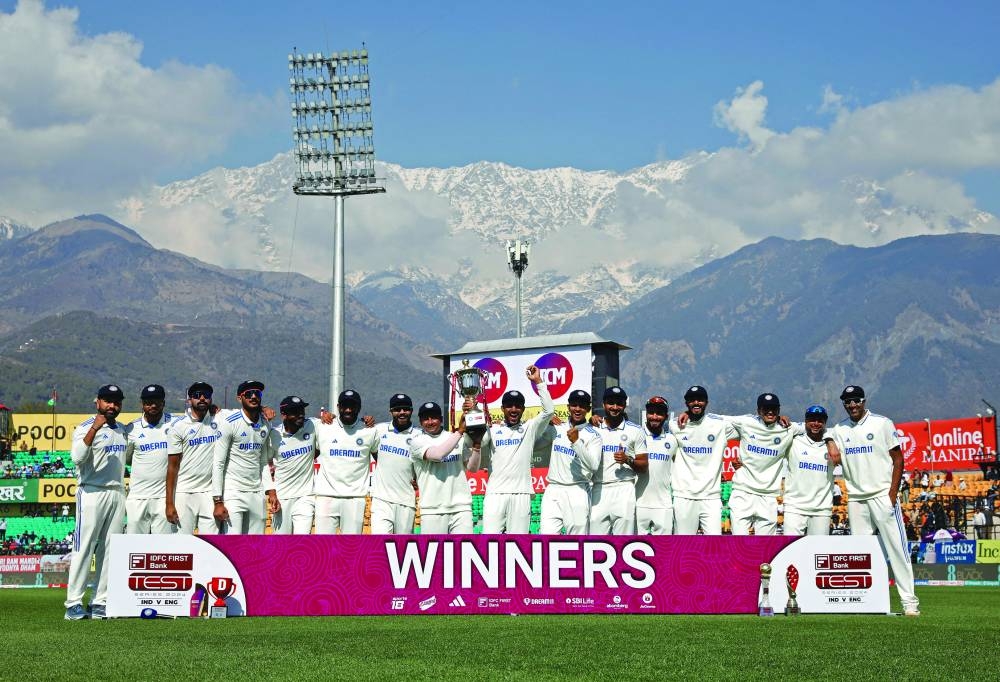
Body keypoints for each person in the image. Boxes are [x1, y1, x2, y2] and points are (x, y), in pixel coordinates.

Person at [825, 385, 920, 617]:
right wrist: (830, 442)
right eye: (847, 402)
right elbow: (826, 433)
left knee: (897, 549)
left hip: (881, 495)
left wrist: (891, 494)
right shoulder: (840, 428)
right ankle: (866, 602)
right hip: (857, 499)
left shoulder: (882, 423)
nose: (852, 405)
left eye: (856, 400)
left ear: (864, 401)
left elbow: (898, 459)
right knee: (861, 554)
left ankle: (909, 602)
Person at [64, 384, 128, 620]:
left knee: (109, 550)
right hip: (91, 492)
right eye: (108, 401)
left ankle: (100, 601)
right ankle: (73, 604)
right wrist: (95, 428)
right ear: (97, 402)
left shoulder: (122, 430)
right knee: (84, 548)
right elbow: (77, 458)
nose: (112, 406)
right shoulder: (84, 428)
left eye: (117, 402)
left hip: (117, 492)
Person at [480, 365, 554, 534]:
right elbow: (475, 442)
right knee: (489, 542)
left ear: (523, 409)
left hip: (521, 493)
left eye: (518, 406)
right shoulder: (492, 430)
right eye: (509, 406)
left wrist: (538, 382)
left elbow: (549, 410)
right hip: (495, 494)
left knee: (518, 543)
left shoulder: (530, 428)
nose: (513, 410)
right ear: (502, 409)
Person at [212, 380, 278, 534]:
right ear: (239, 398)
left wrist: (271, 490)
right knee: (232, 545)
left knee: (256, 547)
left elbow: (262, 461)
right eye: (248, 394)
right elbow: (218, 463)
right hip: (233, 492)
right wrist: (218, 501)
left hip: (256, 493)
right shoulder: (229, 423)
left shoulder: (266, 424)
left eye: (257, 393)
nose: (253, 396)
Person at [670, 385, 738, 535]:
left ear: (706, 402)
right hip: (684, 496)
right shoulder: (675, 425)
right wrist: (687, 414)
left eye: (700, 400)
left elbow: (746, 428)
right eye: (692, 400)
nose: (696, 403)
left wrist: (778, 419)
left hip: (711, 497)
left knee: (713, 546)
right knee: (684, 545)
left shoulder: (720, 425)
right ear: (686, 402)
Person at [313, 390, 379, 534]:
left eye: (352, 406)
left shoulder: (370, 430)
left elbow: (382, 460)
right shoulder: (323, 426)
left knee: (351, 550)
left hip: (355, 499)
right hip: (326, 496)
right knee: (323, 549)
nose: (348, 410)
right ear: (338, 406)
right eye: (344, 406)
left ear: (359, 408)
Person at [410, 401, 481, 534]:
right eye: (426, 418)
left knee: (463, 553)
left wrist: (477, 445)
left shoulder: (454, 438)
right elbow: (438, 455)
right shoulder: (417, 442)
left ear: (441, 419)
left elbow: (473, 468)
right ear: (420, 421)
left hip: (461, 508)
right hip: (432, 509)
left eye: (434, 417)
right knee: (434, 554)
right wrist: (460, 431)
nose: (430, 422)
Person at [540, 390, 602, 534]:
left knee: (577, 542)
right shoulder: (556, 428)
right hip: (553, 490)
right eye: (574, 405)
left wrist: (576, 442)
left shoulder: (593, 436)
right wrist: (544, 420)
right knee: (546, 539)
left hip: (577, 490)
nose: (578, 409)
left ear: (588, 409)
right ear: (568, 407)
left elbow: (593, 466)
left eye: (582, 406)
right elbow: (533, 438)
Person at [590, 386, 648, 534]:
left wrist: (628, 459)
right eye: (611, 403)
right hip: (598, 488)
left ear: (624, 405)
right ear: (603, 404)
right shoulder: (594, 428)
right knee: (596, 543)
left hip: (624, 489)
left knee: (624, 542)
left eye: (619, 403)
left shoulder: (636, 430)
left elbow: (644, 466)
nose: (615, 407)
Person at [165, 382, 221, 535]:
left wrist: (263, 409)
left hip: (209, 493)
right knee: (182, 546)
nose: (202, 398)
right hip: (184, 493)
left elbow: (244, 412)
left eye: (206, 395)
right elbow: (172, 467)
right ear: (189, 400)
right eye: (197, 395)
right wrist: (169, 503)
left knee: (212, 545)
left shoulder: (219, 420)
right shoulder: (178, 427)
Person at [123, 384, 177, 534]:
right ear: (142, 403)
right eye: (148, 402)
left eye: (157, 401)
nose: (152, 405)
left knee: (163, 548)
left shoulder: (176, 423)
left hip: (164, 498)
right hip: (137, 497)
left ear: (163, 403)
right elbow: (127, 459)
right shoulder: (131, 429)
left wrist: (214, 412)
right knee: (135, 548)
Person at [267, 396, 318, 534]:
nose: (300, 415)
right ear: (284, 415)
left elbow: (334, 424)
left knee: (302, 543)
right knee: (281, 546)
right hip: (281, 499)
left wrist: (328, 416)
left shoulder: (312, 425)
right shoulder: (274, 435)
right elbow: (263, 464)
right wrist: (271, 492)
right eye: (295, 412)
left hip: (305, 497)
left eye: (302, 410)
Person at [370, 394, 420, 534]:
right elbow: (373, 450)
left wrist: (418, 478)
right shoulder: (379, 430)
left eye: (406, 409)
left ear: (411, 411)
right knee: (379, 545)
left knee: (401, 549)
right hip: (381, 501)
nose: (402, 412)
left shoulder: (419, 435)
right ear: (391, 411)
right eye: (398, 409)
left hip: (406, 502)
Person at [782, 405, 834, 535]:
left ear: (825, 423)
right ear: (805, 421)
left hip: (821, 509)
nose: (816, 423)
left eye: (820, 420)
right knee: (790, 550)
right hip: (794, 507)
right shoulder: (793, 440)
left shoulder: (833, 444)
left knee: (819, 552)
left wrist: (831, 441)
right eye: (812, 420)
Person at [635, 396, 678, 535]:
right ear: (646, 414)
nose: (654, 417)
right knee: (636, 548)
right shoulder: (636, 436)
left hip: (663, 505)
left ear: (666, 416)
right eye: (651, 413)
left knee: (664, 551)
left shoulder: (672, 440)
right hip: (638, 503)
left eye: (659, 413)